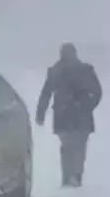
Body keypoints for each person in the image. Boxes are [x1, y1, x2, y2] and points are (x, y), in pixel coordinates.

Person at [36, 42, 103, 188]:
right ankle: (73, 176)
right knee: (75, 147)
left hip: (69, 115)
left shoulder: (67, 70)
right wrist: (88, 106)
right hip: (74, 116)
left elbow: (46, 93)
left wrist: (41, 113)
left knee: (71, 147)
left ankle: (71, 176)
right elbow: (97, 92)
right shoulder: (77, 70)